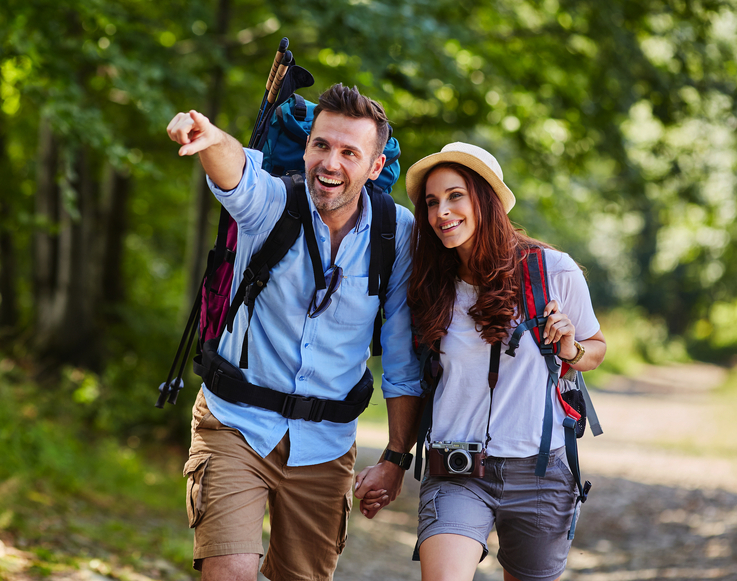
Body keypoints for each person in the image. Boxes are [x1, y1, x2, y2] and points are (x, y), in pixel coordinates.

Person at [165, 84, 423, 581]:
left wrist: (395, 456)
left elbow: (402, 357)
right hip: (235, 425)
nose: (330, 163)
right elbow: (235, 173)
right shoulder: (273, 202)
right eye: (321, 145)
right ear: (306, 146)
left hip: (326, 447)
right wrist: (210, 136)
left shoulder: (398, 233)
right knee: (230, 573)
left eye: (350, 152)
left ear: (374, 167)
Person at [380, 142, 606, 581]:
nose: (441, 211)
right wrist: (395, 455)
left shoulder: (552, 270)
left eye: (455, 195)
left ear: (485, 198)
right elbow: (410, 375)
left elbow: (595, 348)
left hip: (541, 470)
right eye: (431, 202)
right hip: (456, 467)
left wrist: (570, 349)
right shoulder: (429, 284)